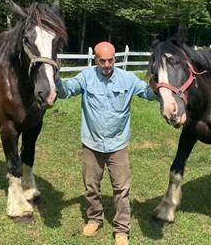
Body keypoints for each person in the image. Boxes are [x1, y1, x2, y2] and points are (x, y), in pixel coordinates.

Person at [55, 41, 157, 245]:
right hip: (91, 143)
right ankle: (95, 218)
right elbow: (66, 91)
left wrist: (158, 85)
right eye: (102, 60)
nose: (107, 64)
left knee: (121, 189)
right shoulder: (86, 77)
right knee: (91, 186)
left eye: (110, 60)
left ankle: (121, 229)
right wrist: (55, 76)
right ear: (95, 59)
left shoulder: (128, 79)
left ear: (115, 59)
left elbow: (148, 94)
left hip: (118, 145)